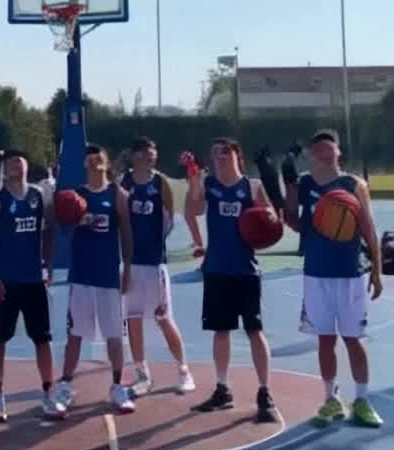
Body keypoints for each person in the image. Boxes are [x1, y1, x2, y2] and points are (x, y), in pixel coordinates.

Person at [283, 129, 383, 428]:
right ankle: (331, 399)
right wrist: (287, 185)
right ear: (313, 155)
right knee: (324, 341)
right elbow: (294, 223)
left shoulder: (353, 184)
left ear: (338, 152)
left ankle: (362, 400)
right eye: (320, 150)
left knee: (353, 339)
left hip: (350, 273)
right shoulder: (304, 183)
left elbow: (368, 227)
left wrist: (376, 271)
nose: (326, 154)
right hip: (316, 275)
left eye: (331, 149)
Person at [185, 138, 280, 422]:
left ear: (237, 155)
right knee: (221, 331)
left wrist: (268, 223)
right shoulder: (210, 186)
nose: (220, 156)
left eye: (225, 151)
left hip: (246, 270)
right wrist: (193, 180)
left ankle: (265, 392)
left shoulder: (251, 187)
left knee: (254, 330)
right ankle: (223, 388)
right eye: (215, 152)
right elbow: (194, 210)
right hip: (216, 269)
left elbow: (270, 221)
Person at [0, 149, 66, 421]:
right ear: (5, 169)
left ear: (27, 164)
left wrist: (48, 265)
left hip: (33, 280)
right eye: (11, 161)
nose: (16, 163)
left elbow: (51, 230)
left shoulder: (40, 195)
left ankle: (48, 394)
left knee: (43, 339)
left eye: (20, 159)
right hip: (6, 280)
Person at [55, 144, 135, 413]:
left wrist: (128, 268)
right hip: (81, 276)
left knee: (114, 335)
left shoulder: (118, 194)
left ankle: (117, 386)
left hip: (108, 276)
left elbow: (126, 232)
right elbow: (64, 231)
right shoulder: (76, 196)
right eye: (89, 156)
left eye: (99, 155)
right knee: (75, 334)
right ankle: (65, 385)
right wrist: (78, 221)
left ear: (107, 161)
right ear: (84, 164)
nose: (94, 159)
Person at [121, 138, 195, 396]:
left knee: (163, 317)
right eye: (146, 154)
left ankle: (184, 370)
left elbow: (168, 221)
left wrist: (155, 239)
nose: (151, 157)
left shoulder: (159, 183)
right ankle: (142, 374)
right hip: (131, 263)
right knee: (133, 319)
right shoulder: (125, 183)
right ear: (135, 156)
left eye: (154, 154)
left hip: (154, 262)